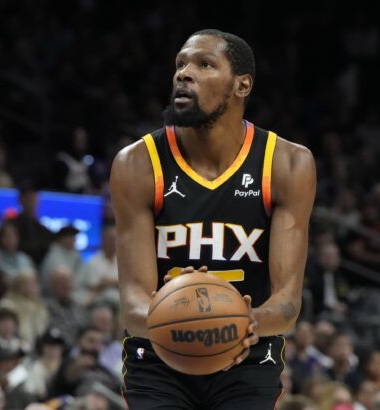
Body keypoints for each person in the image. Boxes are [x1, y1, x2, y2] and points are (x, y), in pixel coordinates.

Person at [110, 29, 316, 409]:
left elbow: (287, 303)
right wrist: (187, 321)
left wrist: (241, 324)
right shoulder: (137, 164)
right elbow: (134, 303)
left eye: (204, 64)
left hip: (248, 354)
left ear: (242, 85)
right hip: (157, 355)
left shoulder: (286, 163)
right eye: (180, 64)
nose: (184, 73)